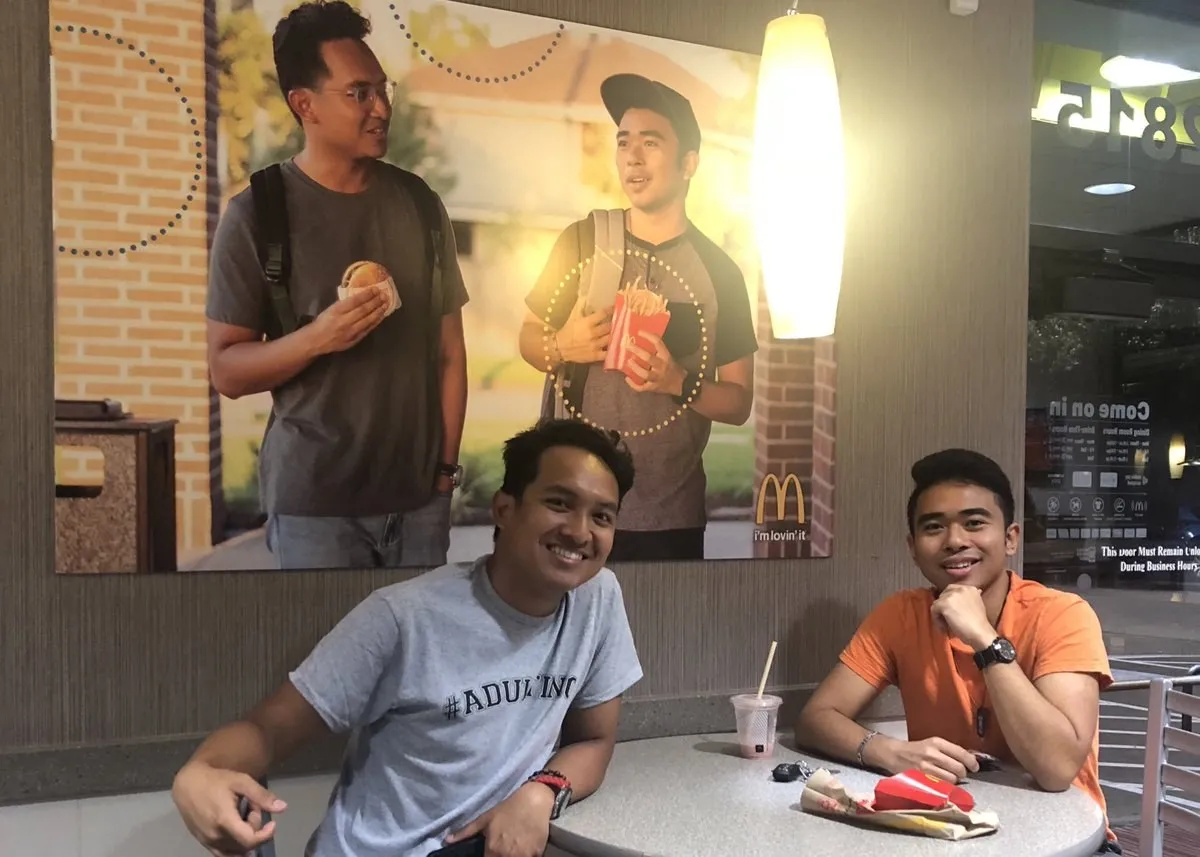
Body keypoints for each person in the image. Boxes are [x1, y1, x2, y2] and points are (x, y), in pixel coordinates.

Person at [171, 419, 643, 857]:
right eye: (559, 503)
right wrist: (201, 772)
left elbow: (594, 739)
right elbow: (267, 728)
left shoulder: (596, 598)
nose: (580, 531)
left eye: (602, 517)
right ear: (504, 509)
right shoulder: (405, 617)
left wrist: (541, 793)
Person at [205, 0, 468, 569]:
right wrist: (317, 338)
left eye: (383, 88)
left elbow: (450, 353)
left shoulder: (422, 205)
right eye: (359, 93)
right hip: (314, 510)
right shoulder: (257, 215)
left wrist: (444, 477)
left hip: (418, 506)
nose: (382, 108)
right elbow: (226, 370)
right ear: (305, 105)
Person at [794, 448, 1120, 853]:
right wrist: (889, 752)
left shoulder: (1063, 615)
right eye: (934, 527)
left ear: (1010, 538)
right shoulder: (901, 615)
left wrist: (983, 637)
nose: (954, 541)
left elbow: (1056, 769)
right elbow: (816, 719)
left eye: (974, 523)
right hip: (950, 835)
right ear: (913, 547)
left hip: (1067, 842)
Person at [517, 73, 758, 563]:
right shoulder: (581, 241)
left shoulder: (720, 272)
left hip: (669, 517)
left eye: (651, 143)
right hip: (572, 506)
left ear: (688, 163)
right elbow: (527, 338)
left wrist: (678, 381)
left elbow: (738, 402)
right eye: (624, 142)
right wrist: (560, 346)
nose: (632, 157)